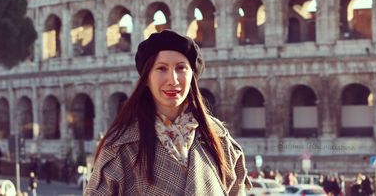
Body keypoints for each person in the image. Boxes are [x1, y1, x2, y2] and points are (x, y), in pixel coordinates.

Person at [84, 29, 251, 195]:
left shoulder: (218, 139)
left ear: (192, 75)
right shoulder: (120, 147)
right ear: (146, 78)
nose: (173, 79)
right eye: (161, 68)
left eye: (181, 68)